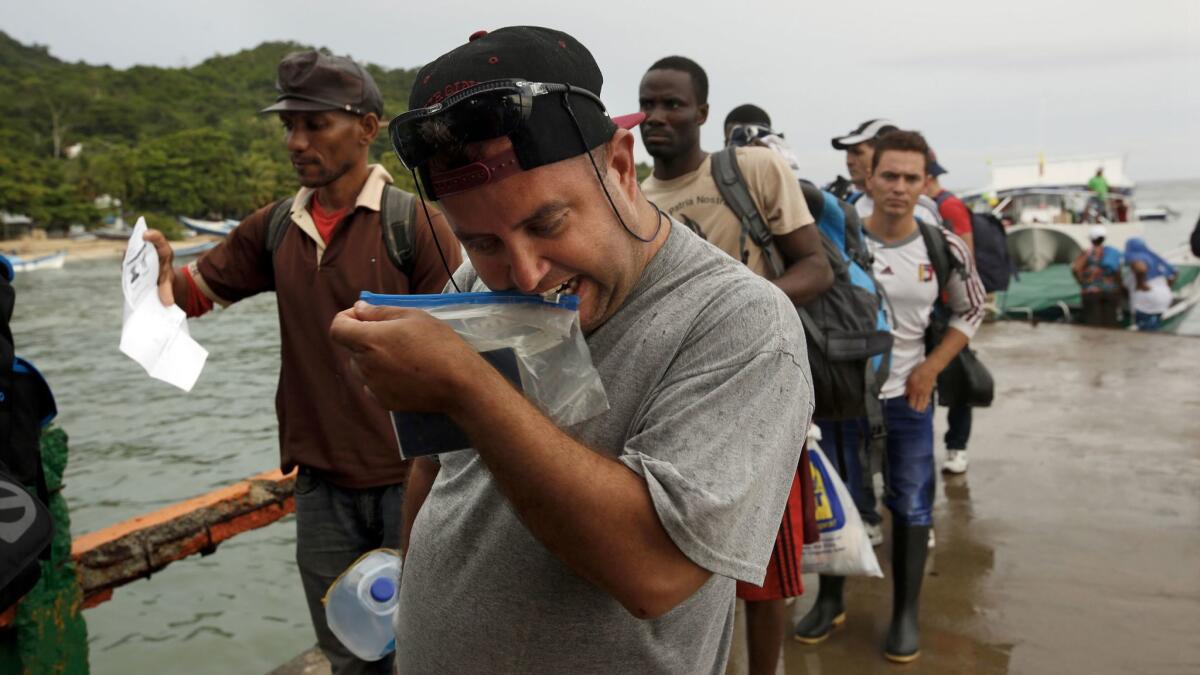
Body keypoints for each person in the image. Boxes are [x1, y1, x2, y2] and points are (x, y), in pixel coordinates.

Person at [331, 27, 812, 674]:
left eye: (547, 222)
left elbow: (654, 572)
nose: (524, 273)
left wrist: (467, 385)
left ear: (619, 165)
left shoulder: (740, 320)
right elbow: (437, 467)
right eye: (483, 241)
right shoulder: (477, 285)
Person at [142, 50, 461, 675]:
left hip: (412, 480)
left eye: (315, 124)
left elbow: (462, 360)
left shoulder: (414, 224)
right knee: (347, 652)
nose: (296, 141)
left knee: (428, 647)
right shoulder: (275, 228)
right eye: (289, 125)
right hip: (319, 484)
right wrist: (156, 273)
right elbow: (195, 295)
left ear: (367, 128)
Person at [638, 61, 831, 675]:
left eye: (673, 104)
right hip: (676, 397)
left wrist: (741, 308)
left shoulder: (753, 170)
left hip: (759, 388)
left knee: (766, 564)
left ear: (702, 112)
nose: (657, 117)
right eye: (647, 104)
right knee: (686, 557)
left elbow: (816, 267)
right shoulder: (636, 199)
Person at [795, 130, 984, 663]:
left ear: (926, 181)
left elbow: (971, 310)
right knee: (836, 501)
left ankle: (904, 613)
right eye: (889, 176)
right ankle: (830, 600)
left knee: (912, 502)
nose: (899, 188)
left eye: (911, 178)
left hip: (909, 399)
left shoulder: (939, 244)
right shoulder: (833, 238)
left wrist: (931, 367)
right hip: (841, 399)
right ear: (868, 176)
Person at [923, 150, 974, 475]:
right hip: (925, 306)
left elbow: (966, 256)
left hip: (944, 307)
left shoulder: (949, 206)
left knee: (957, 381)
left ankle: (957, 447)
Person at [830, 119, 943, 228]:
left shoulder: (923, 212)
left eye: (857, 153)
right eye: (848, 153)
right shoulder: (845, 204)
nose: (849, 161)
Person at [1072, 225, 1123, 327]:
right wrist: (1119, 287)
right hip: (1110, 291)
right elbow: (1117, 272)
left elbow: (1076, 269)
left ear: (1091, 239)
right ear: (1104, 238)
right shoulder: (1111, 252)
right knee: (1111, 323)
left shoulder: (1087, 252)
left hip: (1091, 291)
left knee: (1094, 325)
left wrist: (1081, 281)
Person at [1123, 237, 1177, 331]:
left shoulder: (1136, 255)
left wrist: (1141, 284)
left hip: (1147, 298)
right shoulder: (1154, 257)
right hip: (1163, 294)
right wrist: (1168, 286)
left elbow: (1141, 269)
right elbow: (1175, 272)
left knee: (1144, 329)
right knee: (1154, 324)